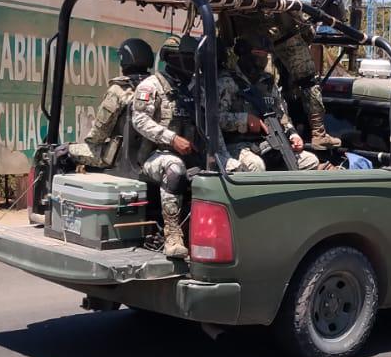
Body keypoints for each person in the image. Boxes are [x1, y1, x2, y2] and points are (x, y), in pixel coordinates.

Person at [232, 0, 340, 149]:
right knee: (308, 79)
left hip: (248, 34)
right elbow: (292, 1)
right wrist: (306, 27)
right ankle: (319, 132)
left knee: (254, 81)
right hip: (279, 32)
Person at [131, 37, 201, 258]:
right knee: (174, 169)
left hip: (191, 153)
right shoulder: (151, 86)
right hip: (155, 156)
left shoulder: (192, 89)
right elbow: (139, 119)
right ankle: (173, 234)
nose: (192, 63)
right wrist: (172, 139)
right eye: (187, 58)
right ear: (171, 58)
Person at [217, 38, 320, 173]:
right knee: (256, 166)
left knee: (310, 161)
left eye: (266, 54)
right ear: (243, 53)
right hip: (238, 144)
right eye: (257, 52)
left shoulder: (268, 83)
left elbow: (283, 116)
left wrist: (293, 135)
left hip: (270, 144)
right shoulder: (226, 82)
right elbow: (214, 119)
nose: (263, 57)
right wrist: (244, 119)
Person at [68, 38, 155, 170]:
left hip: (119, 158)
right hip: (152, 157)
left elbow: (98, 136)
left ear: (124, 60)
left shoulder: (119, 90)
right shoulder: (158, 88)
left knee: (61, 152)